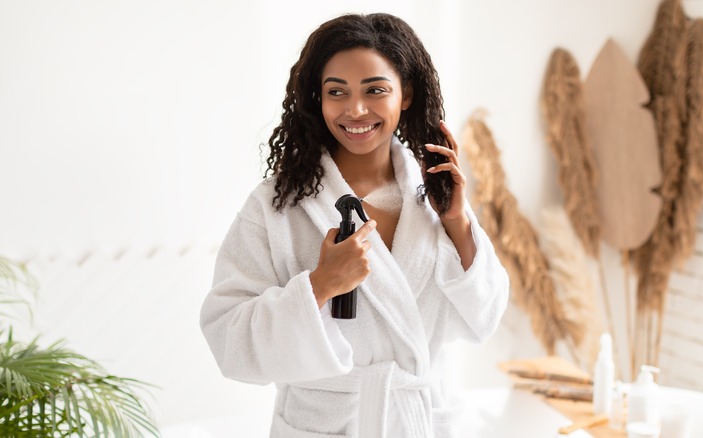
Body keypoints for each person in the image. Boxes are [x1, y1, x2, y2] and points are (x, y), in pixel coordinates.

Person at [200, 12, 509, 438]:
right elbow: (229, 339)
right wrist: (321, 285)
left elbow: (484, 320)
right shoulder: (277, 206)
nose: (355, 109)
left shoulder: (434, 198)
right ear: (317, 99)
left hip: (418, 417)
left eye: (375, 90)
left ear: (406, 94)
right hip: (326, 424)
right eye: (336, 92)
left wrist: (457, 222)